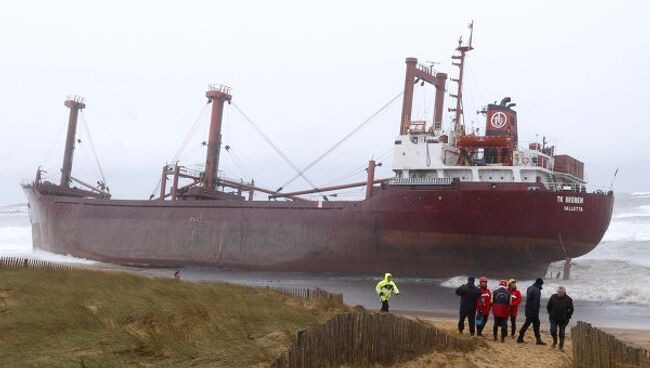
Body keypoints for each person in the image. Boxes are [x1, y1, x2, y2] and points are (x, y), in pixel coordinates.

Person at [517, 278, 546, 345]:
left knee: (530, 324)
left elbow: (529, 300)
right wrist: (536, 311)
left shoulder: (530, 288)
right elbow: (536, 302)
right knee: (534, 324)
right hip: (533, 311)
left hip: (528, 309)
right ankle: (521, 337)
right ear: (540, 284)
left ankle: (521, 337)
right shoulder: (537, 290)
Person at [547, 286, 574, 351]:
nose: (558, 293)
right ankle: (555, 342)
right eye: (558, 292)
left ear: (564, 292)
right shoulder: (553, 297)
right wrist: (550, 313)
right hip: (553, 318)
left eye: (560, 292)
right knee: (553, 330)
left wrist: (568, 317)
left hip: (563, 319)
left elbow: (571, 309)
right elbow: (548, 306)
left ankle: (561, 346)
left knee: (562, 332)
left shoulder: (569, 299)